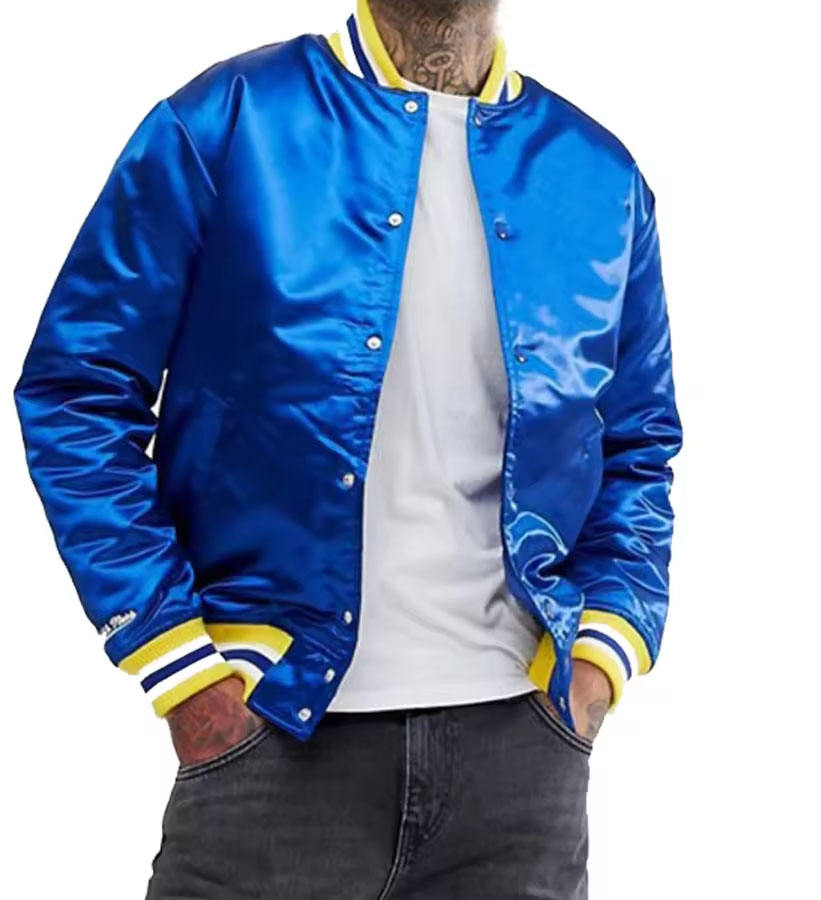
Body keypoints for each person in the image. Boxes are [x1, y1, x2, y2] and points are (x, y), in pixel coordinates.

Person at [13, 1, 682, 897]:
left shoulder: (598, 178)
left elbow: (639, 447)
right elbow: (77, 391)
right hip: (271, 743)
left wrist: (598, 664)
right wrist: (180, 667)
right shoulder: (227, 124)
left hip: (519, 770)